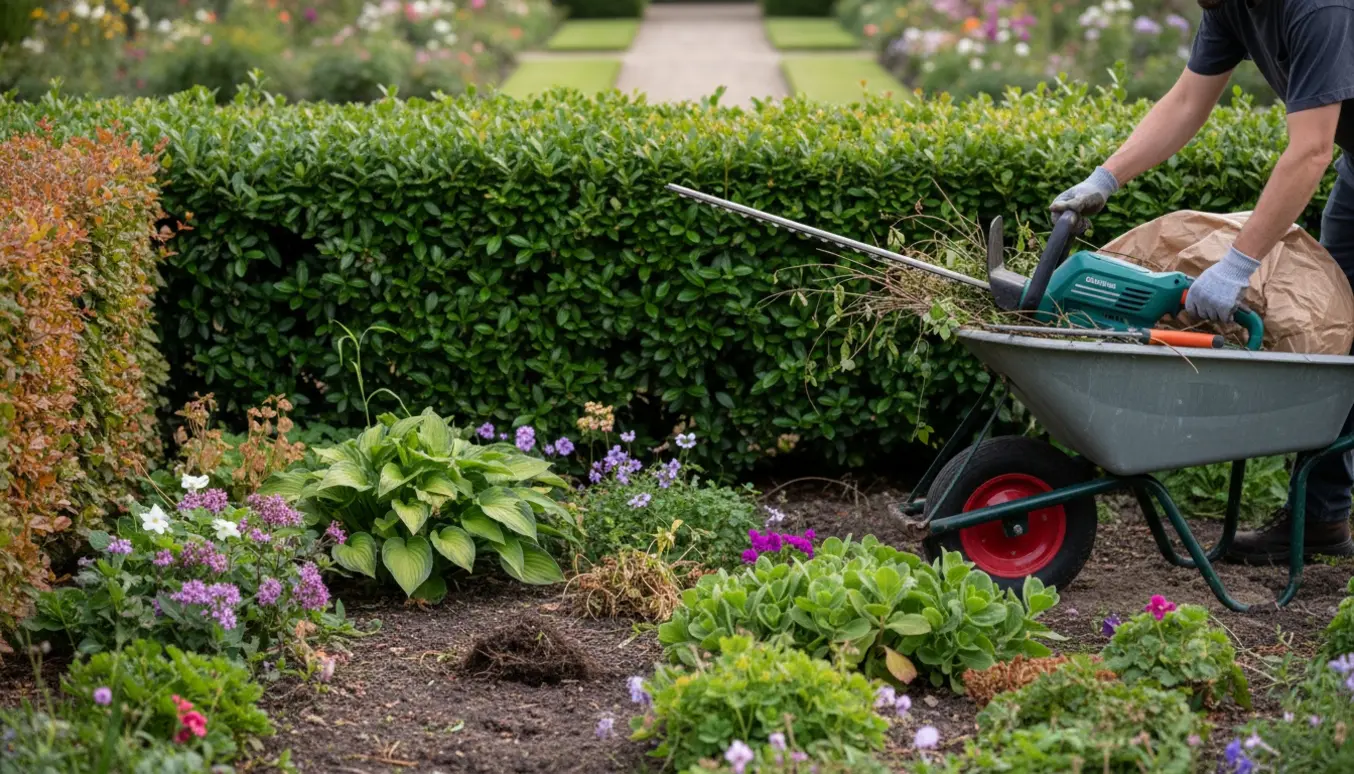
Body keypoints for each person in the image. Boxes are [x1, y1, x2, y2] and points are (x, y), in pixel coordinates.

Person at [1049, 0, 1354, 562]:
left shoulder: (1319, 8)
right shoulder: (1229, 4)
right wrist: (1105, 178)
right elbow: (1189, 100)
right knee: (1342, 346)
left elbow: (1310, 149)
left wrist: (1238, 265)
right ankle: (1322, 518)